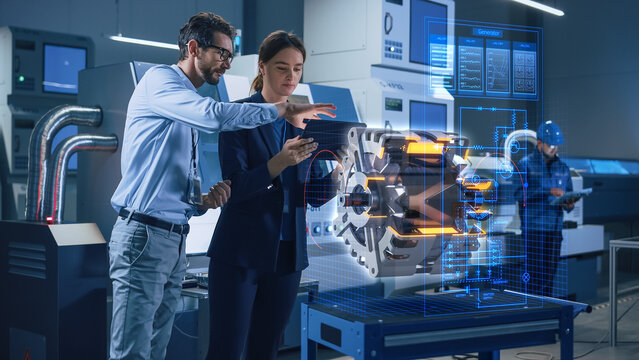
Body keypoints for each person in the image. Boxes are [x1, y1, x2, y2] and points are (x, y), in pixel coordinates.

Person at [107, 13, 335, 360]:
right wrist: (282, 111)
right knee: (133, 352)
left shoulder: (188, 99)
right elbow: (216, 117)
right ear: (194, 48)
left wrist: (198, 201)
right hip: (147, 235)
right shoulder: (162, 82)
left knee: (154, 348)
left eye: (231, 55)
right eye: (222, 54)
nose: (227, 63)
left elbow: (168, 175)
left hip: (174, 235)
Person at [205, 31, 341, 359]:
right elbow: (234, 189)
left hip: (288, 255)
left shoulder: (303, 123)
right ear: (262, 67)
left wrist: (341, 170)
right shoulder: (238, 115)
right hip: (239, 253)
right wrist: (278, 162)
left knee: (267, 350)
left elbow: (309, 196)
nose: (291, 76)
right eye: (282, 67)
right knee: (227, 350)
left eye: (297, 69)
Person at [515, 120, 575, 297]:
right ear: (539, 142)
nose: (554, 149)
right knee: (534, 276)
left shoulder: (563, 168)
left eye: (557, 145)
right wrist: (548, 191)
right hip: (534, 229)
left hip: (554, 230)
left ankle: (547, 314)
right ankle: (532, 315)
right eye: (550, 145)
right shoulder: (525, 165)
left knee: (549, 276)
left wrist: (568, 202)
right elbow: (519, 194)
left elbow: (569, 193)